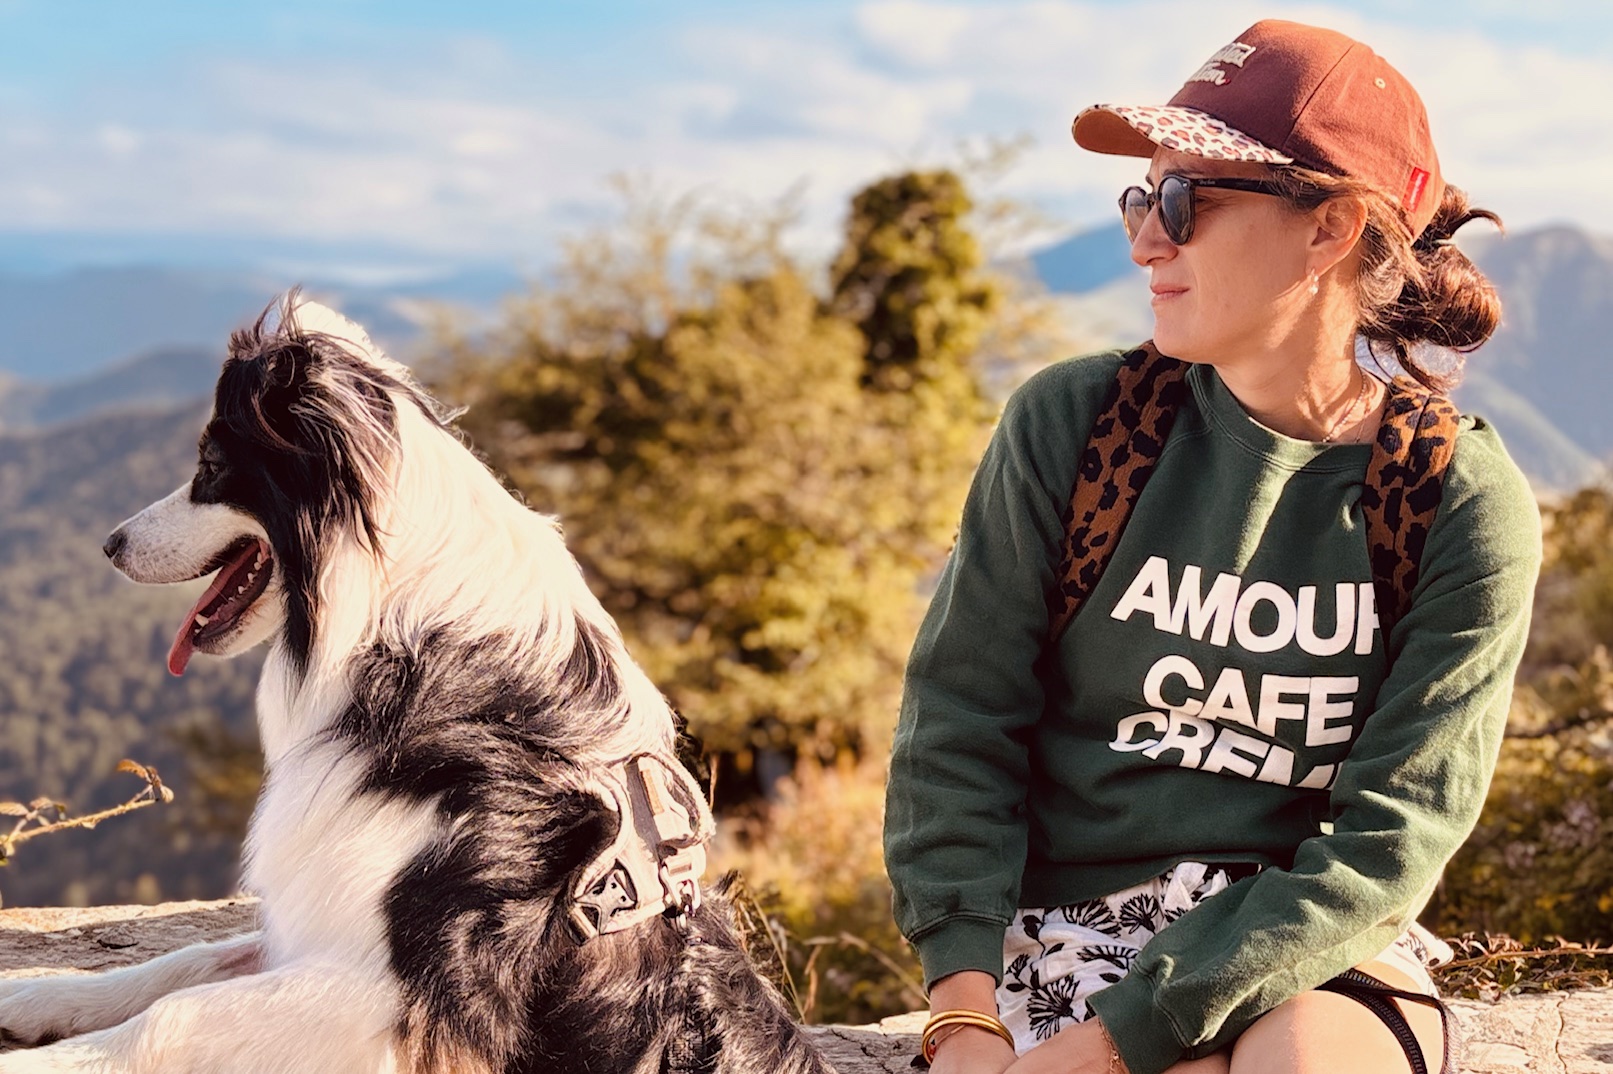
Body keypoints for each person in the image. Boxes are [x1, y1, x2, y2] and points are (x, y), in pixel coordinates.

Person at [882, 18, 1542, 1074]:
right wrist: (962, 1014)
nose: (1145, 241)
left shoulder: (1453, 499)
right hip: (1067, 937)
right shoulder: (1078, 425)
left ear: (1329, 228)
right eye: (1140, 199)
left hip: (1306, 946)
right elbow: (960, 719)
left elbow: (1385, 844)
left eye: (1184, 203)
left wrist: (1112, 1047)